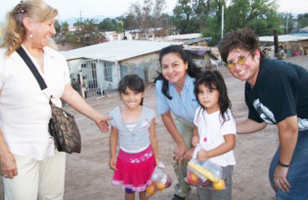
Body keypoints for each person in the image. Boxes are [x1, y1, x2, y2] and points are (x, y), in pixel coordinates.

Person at [0, 1, 111, 199]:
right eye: (49, 24)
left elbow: (67, 92)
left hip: (54, 143)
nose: (53, 30)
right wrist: (3, 154)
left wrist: (96, 116)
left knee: (54, 197)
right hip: (19, 151)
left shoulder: (55, 58)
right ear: (28, 23)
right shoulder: (5, 61)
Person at [218, 28, 308, 199]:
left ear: (256, 55)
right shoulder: (251, 86)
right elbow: (258, 121)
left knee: (287, 186)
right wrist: (226, 128)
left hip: (300, 129)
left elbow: (289, 128)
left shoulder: (274, 75)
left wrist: (284, 164)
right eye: (231, 62)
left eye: (242, 58)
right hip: (302, 129)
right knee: (276, 177)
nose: (237, 66)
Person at [154, 45, 202, 200]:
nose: (170, 71)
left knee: (204, 157)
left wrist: (195, 145)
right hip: (185, 122)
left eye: (175, 65)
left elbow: (207, 114)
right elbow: (165, 116)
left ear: (186, 64)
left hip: (207, 123)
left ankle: (208, 189)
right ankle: (182, 189)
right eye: (165, 67)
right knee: (180, 157)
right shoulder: (161, 85)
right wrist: (181, 144)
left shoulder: (199, 83)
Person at [109, 74, 160, 200]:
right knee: (129, 191)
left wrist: (157, 157)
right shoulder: (115, 115)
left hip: (146, 160)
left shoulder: (148, 114)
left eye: (135, 93)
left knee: (144, 191)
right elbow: (113, 136)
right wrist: (113, 156)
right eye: (126, 93)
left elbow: (153, 137)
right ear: (121, 95)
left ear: (142, 94)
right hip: (126, 161)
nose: (131, 98)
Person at [191, 70, 236, 200]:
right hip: (202, 164)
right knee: (204, 193)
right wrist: (196, 137)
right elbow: (196, 128)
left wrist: (208, 154)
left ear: (220, 92)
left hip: (220, 165)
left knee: (220, 195)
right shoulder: (199, 111)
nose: (205, 96)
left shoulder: (224, 116)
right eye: (201, 92)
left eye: (210, 91)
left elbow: (230, 143)